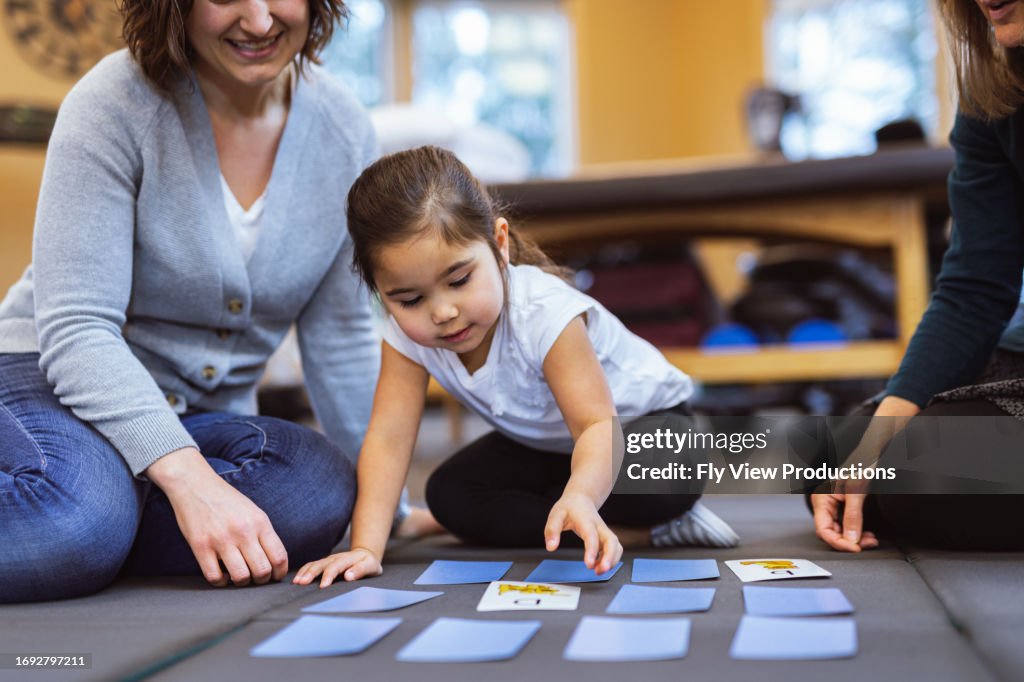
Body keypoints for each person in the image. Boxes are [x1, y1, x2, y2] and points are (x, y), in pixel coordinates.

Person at [0, 0, 381, 603]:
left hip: (194, 415)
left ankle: (101, 520)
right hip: (47, 376)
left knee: (319, 489)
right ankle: (91, 519)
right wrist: (191, 481)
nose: (259, 22)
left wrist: (387, 508)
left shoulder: (344, 130)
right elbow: (77, 327)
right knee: (78, 522)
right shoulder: (113, 102)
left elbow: (342, 335)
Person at [292, 145, 739, 588]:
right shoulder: (406, 338)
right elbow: (389, 438)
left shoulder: (544, 313)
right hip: (552, 447)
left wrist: (581, 495)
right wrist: (366, 548)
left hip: (640, 428)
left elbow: (596, 426)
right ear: (380, 293)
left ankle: (631, 516)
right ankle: (635, 535)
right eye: (409, 299)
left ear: (499, 245)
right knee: (451, 495)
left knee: (669, 477)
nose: (443, 312)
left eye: (459, 280)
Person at [811, 0, 1024, 552]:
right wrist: (873, 442)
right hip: (1014, 356)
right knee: (828, 453)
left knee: (917, 476)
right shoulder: (992, 91)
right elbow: (974, 289)